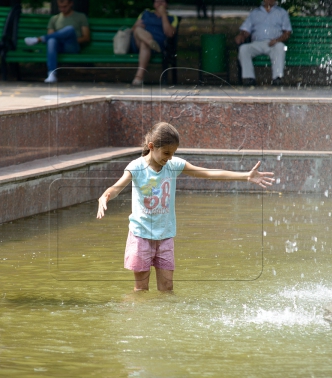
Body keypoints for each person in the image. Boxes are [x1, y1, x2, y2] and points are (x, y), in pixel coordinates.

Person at [96, 122, 275, 291]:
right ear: (151, 146)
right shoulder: (136, 167)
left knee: (167, 289)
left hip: (165, 236)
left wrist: (245, 176)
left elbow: (208, 173)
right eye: (166, 153)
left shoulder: (173, 165)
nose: (170, 158)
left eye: (173, 153)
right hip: (141, 235)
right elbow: (117, 188)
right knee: (141, 290)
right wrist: (105, 197)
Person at [24, 0, 90, 84]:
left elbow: (86, 37)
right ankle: (52, 74)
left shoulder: (80, 16)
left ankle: (39, 39)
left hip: (72, 45)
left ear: (71, 4)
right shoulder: (54, 19)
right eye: (60, 7)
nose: (62, 9)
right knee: (51, 40)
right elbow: (51, 37)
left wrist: (68, 38)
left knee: (70, 29)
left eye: (65, 6)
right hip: (59, 46)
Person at [235, 0, 292, 87]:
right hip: (257, 43)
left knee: (281, 47)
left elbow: (287, 32)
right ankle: (249, 79)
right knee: (243, 49)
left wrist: (277, 40)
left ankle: (277, 79)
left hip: (274, 43)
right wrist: (242, 35)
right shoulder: (255, 13)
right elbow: (246, 30)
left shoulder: (282, 13)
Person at [129, 0, 178, 86]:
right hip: (138, 43)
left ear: (166, 4)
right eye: (157, 1)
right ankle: (150, 41)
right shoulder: (145, 13)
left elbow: (170, 33)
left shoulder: (171, 17)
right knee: (139, 30)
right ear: (153, 4)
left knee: (145, 44)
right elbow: (133, 30)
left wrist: (164, 15)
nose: (159, 3)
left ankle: (139, 77)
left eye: (162, 1)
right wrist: (136, 26)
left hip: (158, 45)